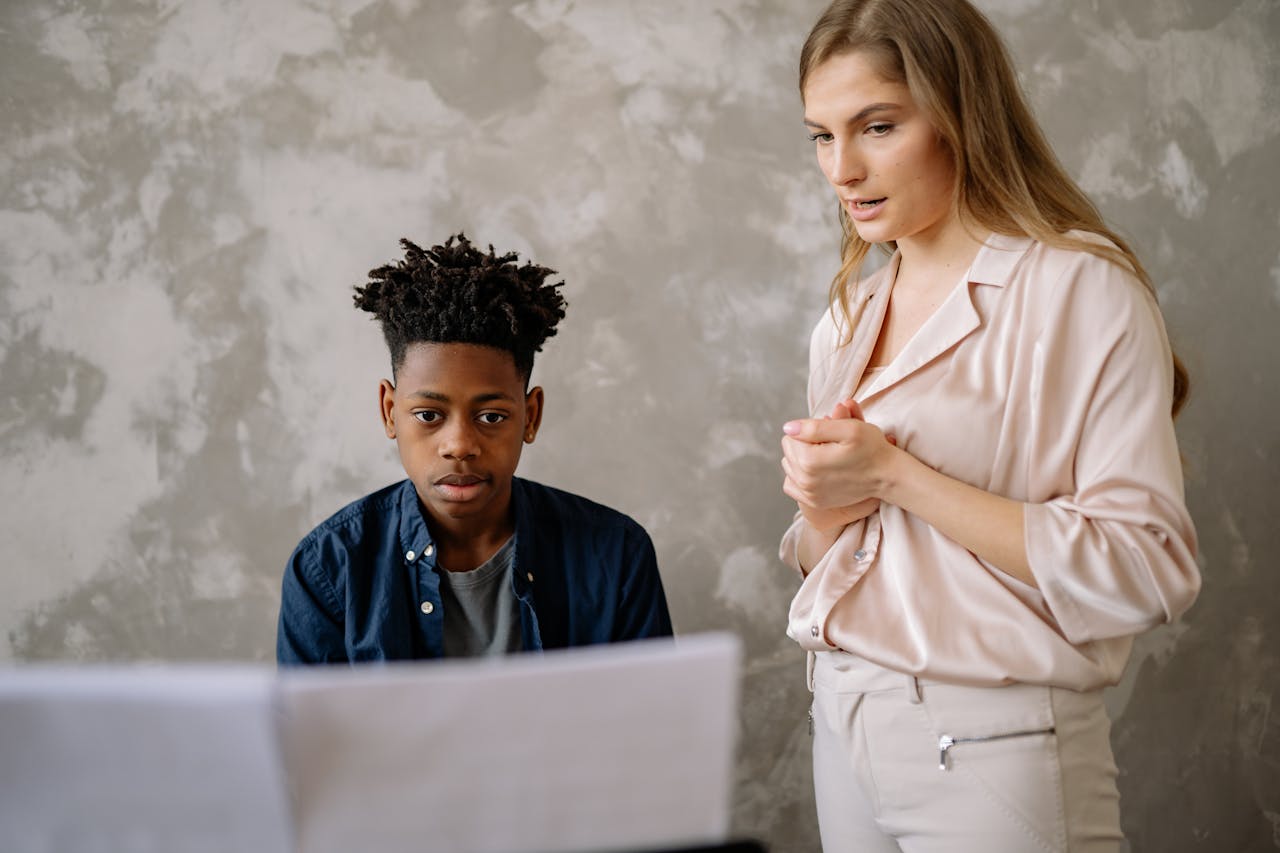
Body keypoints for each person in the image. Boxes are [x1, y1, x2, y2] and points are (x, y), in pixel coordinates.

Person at [777, 1, 1200, 850]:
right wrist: (824, 512)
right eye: (822, 136)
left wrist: (897, 475)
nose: (843, 168)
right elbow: (835, 556)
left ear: (961, 115)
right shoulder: (849, 315)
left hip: (989, 744)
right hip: (844, 716)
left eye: (878, 126)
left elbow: (1148, 568)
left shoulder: (1078, 288)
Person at [278, 234, 672, 664]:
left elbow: (647, 725)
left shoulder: (616, 555)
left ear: (531, 415)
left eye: (491, 417)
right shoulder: (329, 570)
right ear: (390, 412)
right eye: (429, 415)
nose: (460, 446)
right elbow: (314, 732)